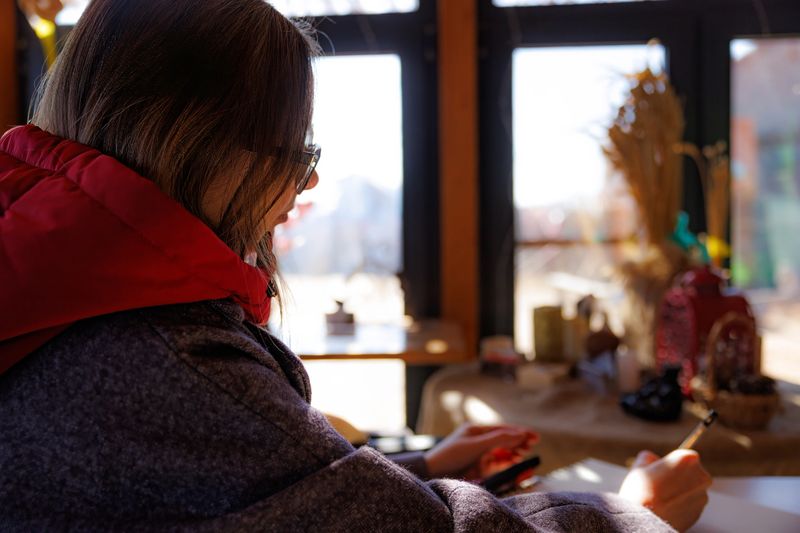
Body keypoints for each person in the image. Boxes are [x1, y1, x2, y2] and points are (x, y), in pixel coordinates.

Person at [0, 0, 710, 531]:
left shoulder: (55, 284)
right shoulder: (169, 358)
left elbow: (249, 494)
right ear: (205, 147)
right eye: (296, 152)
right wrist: (627, 515)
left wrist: (419, 469)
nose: (306, 185)